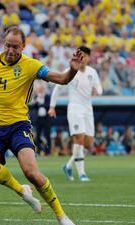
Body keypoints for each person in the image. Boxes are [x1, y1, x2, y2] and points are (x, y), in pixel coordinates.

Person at [0, 26, 83, 225]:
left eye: (16, 47)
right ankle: (22, 191)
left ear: (24, 46)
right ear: (3, 43)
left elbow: (62, 79)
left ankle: (61, 215)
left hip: (18, 125)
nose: (11, 51)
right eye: (8, 45)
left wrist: (72, 68)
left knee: (31, 172)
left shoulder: (31, 65)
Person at [48, 46, 102, 182]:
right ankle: (82, 173)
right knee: (79, 139)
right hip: (75, 108)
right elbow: (57, 88)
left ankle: (68, 166)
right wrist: (52, 106)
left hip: (88, 109)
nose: (82, 59)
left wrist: (97, 92)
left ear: (89, 58)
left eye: (84, 56)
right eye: (80, 56)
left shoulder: (92, 72)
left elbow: (99, 89)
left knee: (89, 144)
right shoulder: (70, 71)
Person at [31, 83, 51, 155]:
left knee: (47, 135)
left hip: (46, 119)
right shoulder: (36, 96)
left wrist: (41, 103)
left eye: (41, 89)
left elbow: (48, 106)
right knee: (38, 135)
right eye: (39, 89)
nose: (40, 90)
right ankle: (39, 150)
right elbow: (33, 106)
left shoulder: (47, 96)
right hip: (39, 119)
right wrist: (37, 102)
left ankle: (48, 151)